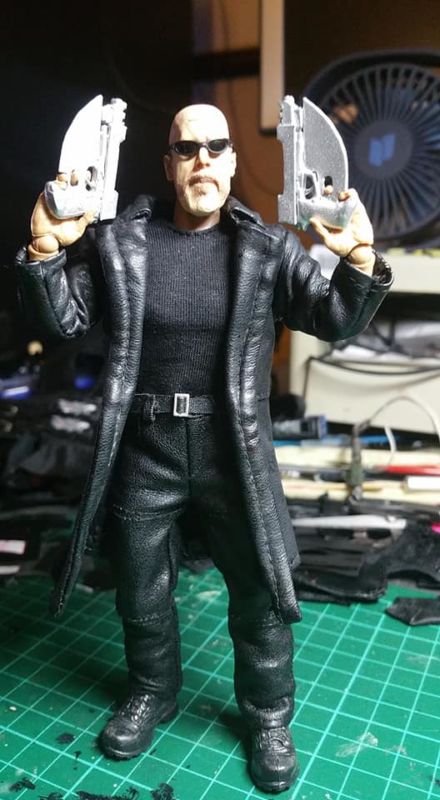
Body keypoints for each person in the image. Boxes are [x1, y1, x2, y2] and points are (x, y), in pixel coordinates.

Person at [15, 103, 392, 793]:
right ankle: (152, 691)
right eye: (187, 149)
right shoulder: (120, 244)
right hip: (146, 448)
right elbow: (64, 319)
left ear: (232, 161)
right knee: (140, 589)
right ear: (168, 164)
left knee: (260, 593)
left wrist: (359, 257)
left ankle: (269, 716)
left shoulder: (267, 250)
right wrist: (46, 251)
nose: (203, 161)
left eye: (217, 147)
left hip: (232, 452)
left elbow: (335, 315)